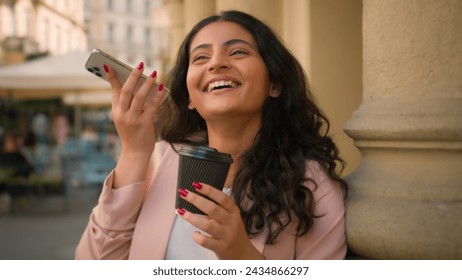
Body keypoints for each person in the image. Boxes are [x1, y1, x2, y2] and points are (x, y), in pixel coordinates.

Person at [76, 10, 348, 260]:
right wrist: (134, 153)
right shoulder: (159, 159)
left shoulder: (311, 185)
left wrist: (242, 256)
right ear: (191, 98)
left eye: (238, 52)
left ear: (274, 84)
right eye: (201, 57)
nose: (216, 63)